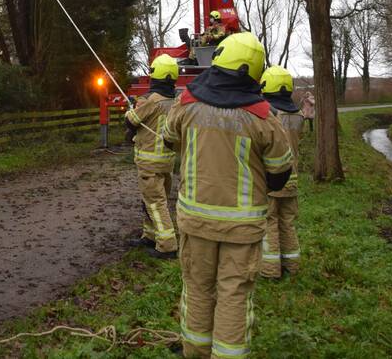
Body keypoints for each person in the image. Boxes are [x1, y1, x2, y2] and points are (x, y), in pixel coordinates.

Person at [164, 32, 292, 359]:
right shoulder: (265, 117)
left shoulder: (187, 104)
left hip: (195, 222)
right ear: (254, 72)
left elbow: (168, 139)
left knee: (197, 289)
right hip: (242, 228)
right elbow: (280, 173)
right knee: (234, 294)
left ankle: (194, 352)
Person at [124, 53, 180, 259]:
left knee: (155, 202)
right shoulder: (175, 101)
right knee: (153, 199)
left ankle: (167, 245)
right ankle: (150, 235)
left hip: (149, 162)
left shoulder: (152, 100)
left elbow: (131, 121)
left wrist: (133, 106)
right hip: (166, 162)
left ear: (155, 75)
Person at [259, 65, 305, 279]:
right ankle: (292, 265)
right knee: (287, 223)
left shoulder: (269, 114)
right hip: (292, 179)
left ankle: (270, 270)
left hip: (272, 178)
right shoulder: (298, 115)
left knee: (269, 222)